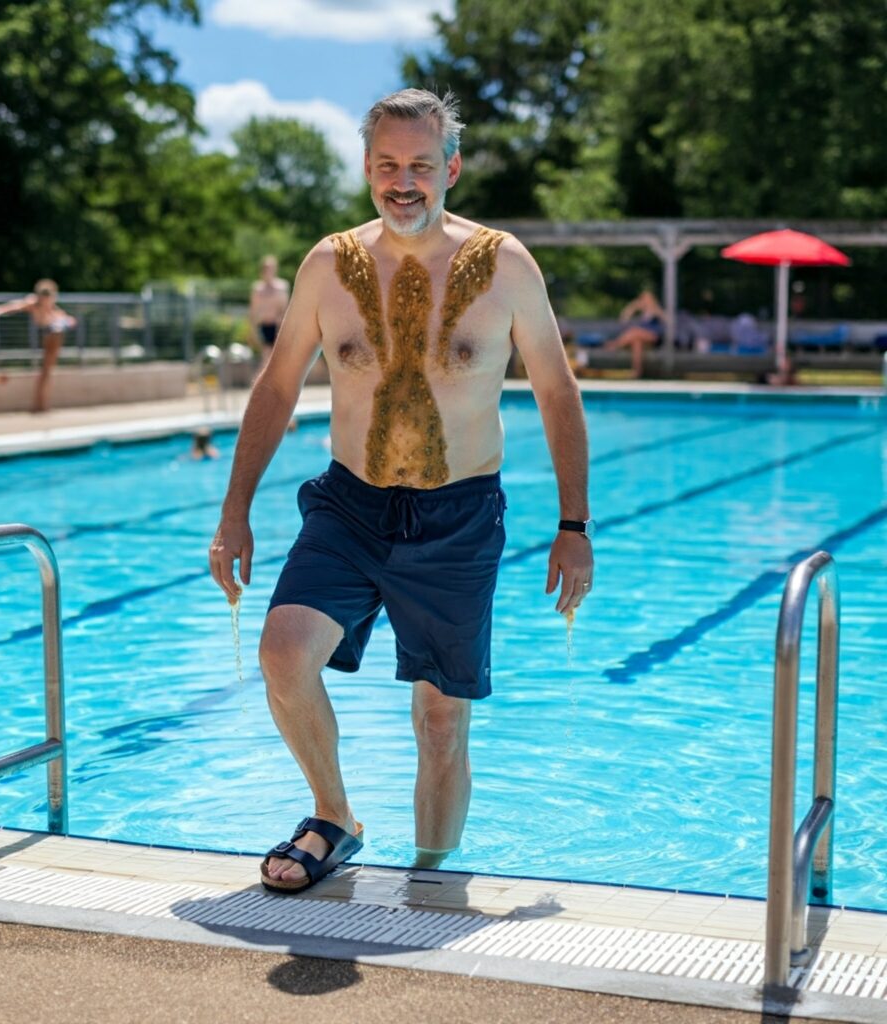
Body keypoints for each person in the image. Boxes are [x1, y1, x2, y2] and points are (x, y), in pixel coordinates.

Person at [208, 88, 593, 894]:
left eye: (421, 163)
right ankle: (334, 815)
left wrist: (573, 524)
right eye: (387, 164)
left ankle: (427, 881)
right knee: (283, 654)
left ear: (450, 167)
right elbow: (277, 390)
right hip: (351, 504)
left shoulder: (506, 264)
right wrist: (234, 512)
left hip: (457, 516)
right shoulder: (327, 266)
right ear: (367, 168)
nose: (404, 180)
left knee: (441, 723)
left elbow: (556, 393)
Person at [0, 280, 76, 412]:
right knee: (45, 372)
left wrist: (68, 320)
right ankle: (41, 405)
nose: (49, 302)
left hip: (53, 333)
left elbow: (60, 315)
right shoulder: (33, 302)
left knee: (46, 372)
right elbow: (13, 306)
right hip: (47, 333)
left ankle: (42, 404)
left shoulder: (51, 306)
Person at [603, 288, 669, 378]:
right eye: (644, 299)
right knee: (637, 342)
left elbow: (667, 322)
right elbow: (623, 320)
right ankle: (637, 372)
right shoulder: (642, 314)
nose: (646, 301)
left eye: (648, 298)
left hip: (655, 337)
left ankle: (616, 344)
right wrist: (633, 307)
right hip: (643, 339)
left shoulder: (657, 310)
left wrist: (655, 310)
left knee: (635, 331)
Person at [249, 255, 290, 371]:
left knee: (278, 357)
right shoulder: (258, 289)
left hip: (278, 326)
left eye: (271, 268)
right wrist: (252, 330)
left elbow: (285, 308)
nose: (268, 271)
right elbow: (253, 310)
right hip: (264, 325)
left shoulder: (281, 287)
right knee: (266, 356)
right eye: (266, 268)